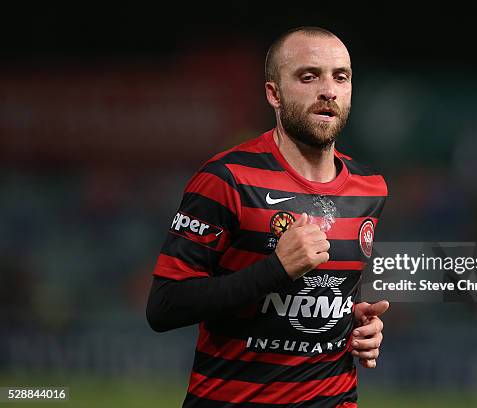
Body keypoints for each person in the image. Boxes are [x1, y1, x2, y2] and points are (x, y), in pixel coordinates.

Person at [146, 26, 389, 407]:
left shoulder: (370, 188)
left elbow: (333, 297)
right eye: (309, 77)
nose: (328, 89)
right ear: (273, 93)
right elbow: (164, 306)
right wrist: (275, 269)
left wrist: (361, 326)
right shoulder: (226, 179)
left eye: (340, 77)